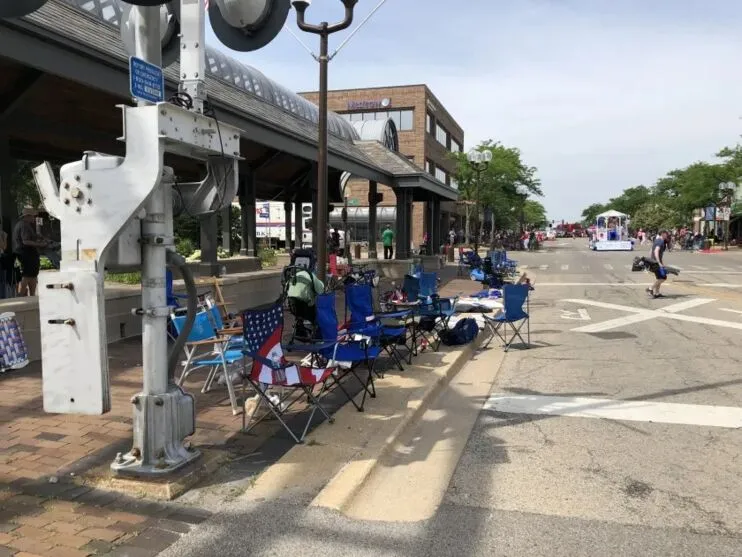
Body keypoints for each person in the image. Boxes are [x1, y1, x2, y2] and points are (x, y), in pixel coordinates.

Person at [13, 208, 47, 297]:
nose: (33, 218)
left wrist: (37, 236)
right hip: (26, 252)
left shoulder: (23, 224)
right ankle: (22, 294)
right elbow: (25, 241)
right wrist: (40, 244)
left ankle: (31, 295)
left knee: (32, 273)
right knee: (28, 274)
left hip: (26, 252)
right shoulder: (24, 225)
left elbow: (28, 238)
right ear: (27, 216)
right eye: (32, 216)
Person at [646, 230, 669, 299]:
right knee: (663, 277)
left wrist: (651, 259)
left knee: (659, 277)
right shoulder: (660, 241)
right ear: (662, 234)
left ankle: (657, 293)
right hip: (656, 263)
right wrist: (659, 262)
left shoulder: (656, 240)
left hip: (653, 261)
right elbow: (656, 251)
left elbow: (651, 251)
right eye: (666, 234)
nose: (667, 235)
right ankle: (650, 289)